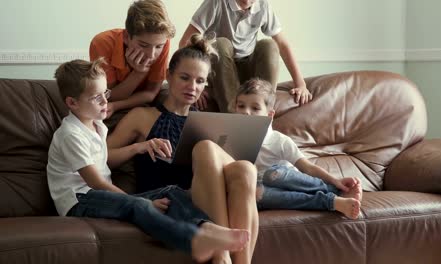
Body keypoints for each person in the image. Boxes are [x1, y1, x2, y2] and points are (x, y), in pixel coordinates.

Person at [46, 58, 250, 263]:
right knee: (139, 206)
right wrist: (139, 200)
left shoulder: (98, 126)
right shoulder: (70, 135)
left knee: (173, 192)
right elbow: (96, 183)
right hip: (79, 199)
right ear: (72, 103)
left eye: (106, 94)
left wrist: (139, 147)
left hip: (97, 195)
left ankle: (207, 227)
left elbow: (105, 163)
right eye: (97, 98)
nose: (105, 102)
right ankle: (193, 240)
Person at [107, 34, 259, 264]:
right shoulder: (142, 116)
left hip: (209, 197)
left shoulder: (209, 122)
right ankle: (221, 256)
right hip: (171, 200)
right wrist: (139, 147)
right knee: (206, 148)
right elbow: (103, 158)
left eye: (200, 81)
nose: (192, 87)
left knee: (246, 169)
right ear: (169, 75)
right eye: (185, 78)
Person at [234, 78, 363, 219]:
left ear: (269, 115)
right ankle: (332, 202)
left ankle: (336, 191)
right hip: (264, 191)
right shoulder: (231, 139)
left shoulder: (279, 141)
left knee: (271, 174)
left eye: (255, 108)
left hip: (286, 181)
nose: (246, 112)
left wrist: (336, 181)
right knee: (256, 193)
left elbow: (307, 168)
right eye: (241, 106)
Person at [179, 0, 312, 113]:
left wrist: (300, 83)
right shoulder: (217, 3)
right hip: (221, 70)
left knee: (269, 45)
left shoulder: (262, 5)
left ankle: (263, 113)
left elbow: (282, 44)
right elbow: (185, 42)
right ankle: (234, 117)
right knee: (220, 44)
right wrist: (195, 84)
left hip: (248, 71)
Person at [89, 0, 175, 130]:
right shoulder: (102, 43)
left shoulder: (164, 42)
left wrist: (117, 105)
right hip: (110, 108)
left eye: (158, 46)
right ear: (126, 37)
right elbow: (110, 96)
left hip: (139, 105)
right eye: (143, 45)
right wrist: (139, 73)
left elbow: (151, 93)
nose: (151, 55)